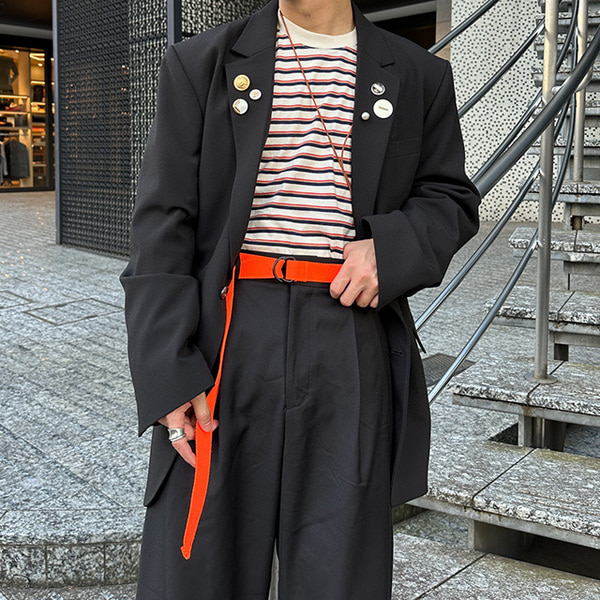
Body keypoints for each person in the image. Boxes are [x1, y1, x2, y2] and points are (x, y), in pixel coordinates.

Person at [120, 0, 481, 598]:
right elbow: (162, 223)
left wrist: (388, 250)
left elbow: (449, 198)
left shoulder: (418, 75)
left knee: (338, 571)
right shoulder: (200, 63)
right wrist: (166, 370)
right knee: (198, 568)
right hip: (226, 337)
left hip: (349, 336)